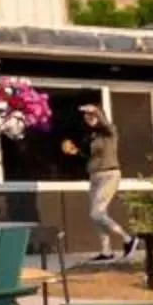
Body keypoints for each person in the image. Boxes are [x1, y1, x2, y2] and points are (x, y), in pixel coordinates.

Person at [64, 103, 127, 259]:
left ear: (99, 116)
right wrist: (76, 152)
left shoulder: (109, 132)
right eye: (87, 116)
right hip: (94, 177)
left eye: (92, 116)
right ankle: (106, 251)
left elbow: (106, 123)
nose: (89, 118)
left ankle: (128, 238)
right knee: (98, 215)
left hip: (109, 175)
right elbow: (90, 157)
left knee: (96, 213)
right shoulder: (92, 137)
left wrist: (94, 109)